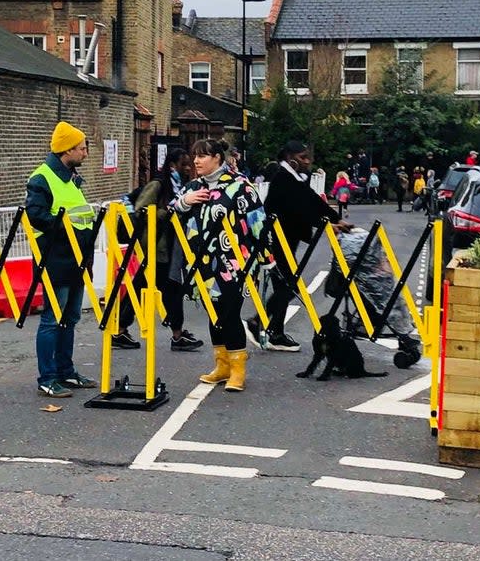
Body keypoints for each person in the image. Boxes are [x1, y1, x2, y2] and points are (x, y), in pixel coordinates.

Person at [174, 138, 266, 392]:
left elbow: (258, 222)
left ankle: (238, 368)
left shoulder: (239, 186)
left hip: (233, 262)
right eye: (194, 156)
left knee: (228, 313)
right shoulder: (193, 186)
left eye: (202, 156)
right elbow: (173, 213)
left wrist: (265, 260)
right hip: (201, 263)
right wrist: (185, 201)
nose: (196, 161)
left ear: (217, 157)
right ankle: (222, 364)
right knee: (214, 314)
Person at [249, 140, 352, 352]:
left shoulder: (294, 178)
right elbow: (298, 211)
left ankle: (271, 330)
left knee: (286, 285)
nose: (308, 162)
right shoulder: (283, 179)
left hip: (287, 239)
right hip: (276, 240)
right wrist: (327, 225)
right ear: (291, 159)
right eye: (303, 158)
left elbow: (312, 201)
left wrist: (335, 218)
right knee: (288, 284)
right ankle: (262, 324)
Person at [26, 121, 101, 398]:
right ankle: (47, 378)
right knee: (52, 319)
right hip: (56, 259)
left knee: (69, 318)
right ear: (66, 150)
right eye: (82, 148)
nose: (85, 153)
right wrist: (64, 226)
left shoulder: (70, 178)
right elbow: (35, 215)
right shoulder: (42, 178)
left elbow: (80, 216)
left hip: (76, 259)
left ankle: (66, 372)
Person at [130, 148, 203, 351]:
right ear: (172, 165)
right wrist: (169, 211)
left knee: (140, 288)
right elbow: (141, 210)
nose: (188, 168)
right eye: (184, 164)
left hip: (171, 246)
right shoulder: (158, 185)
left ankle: (119, 327)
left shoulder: (183, 188)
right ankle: (177, 335)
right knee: (172, 290)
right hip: (157, 246)